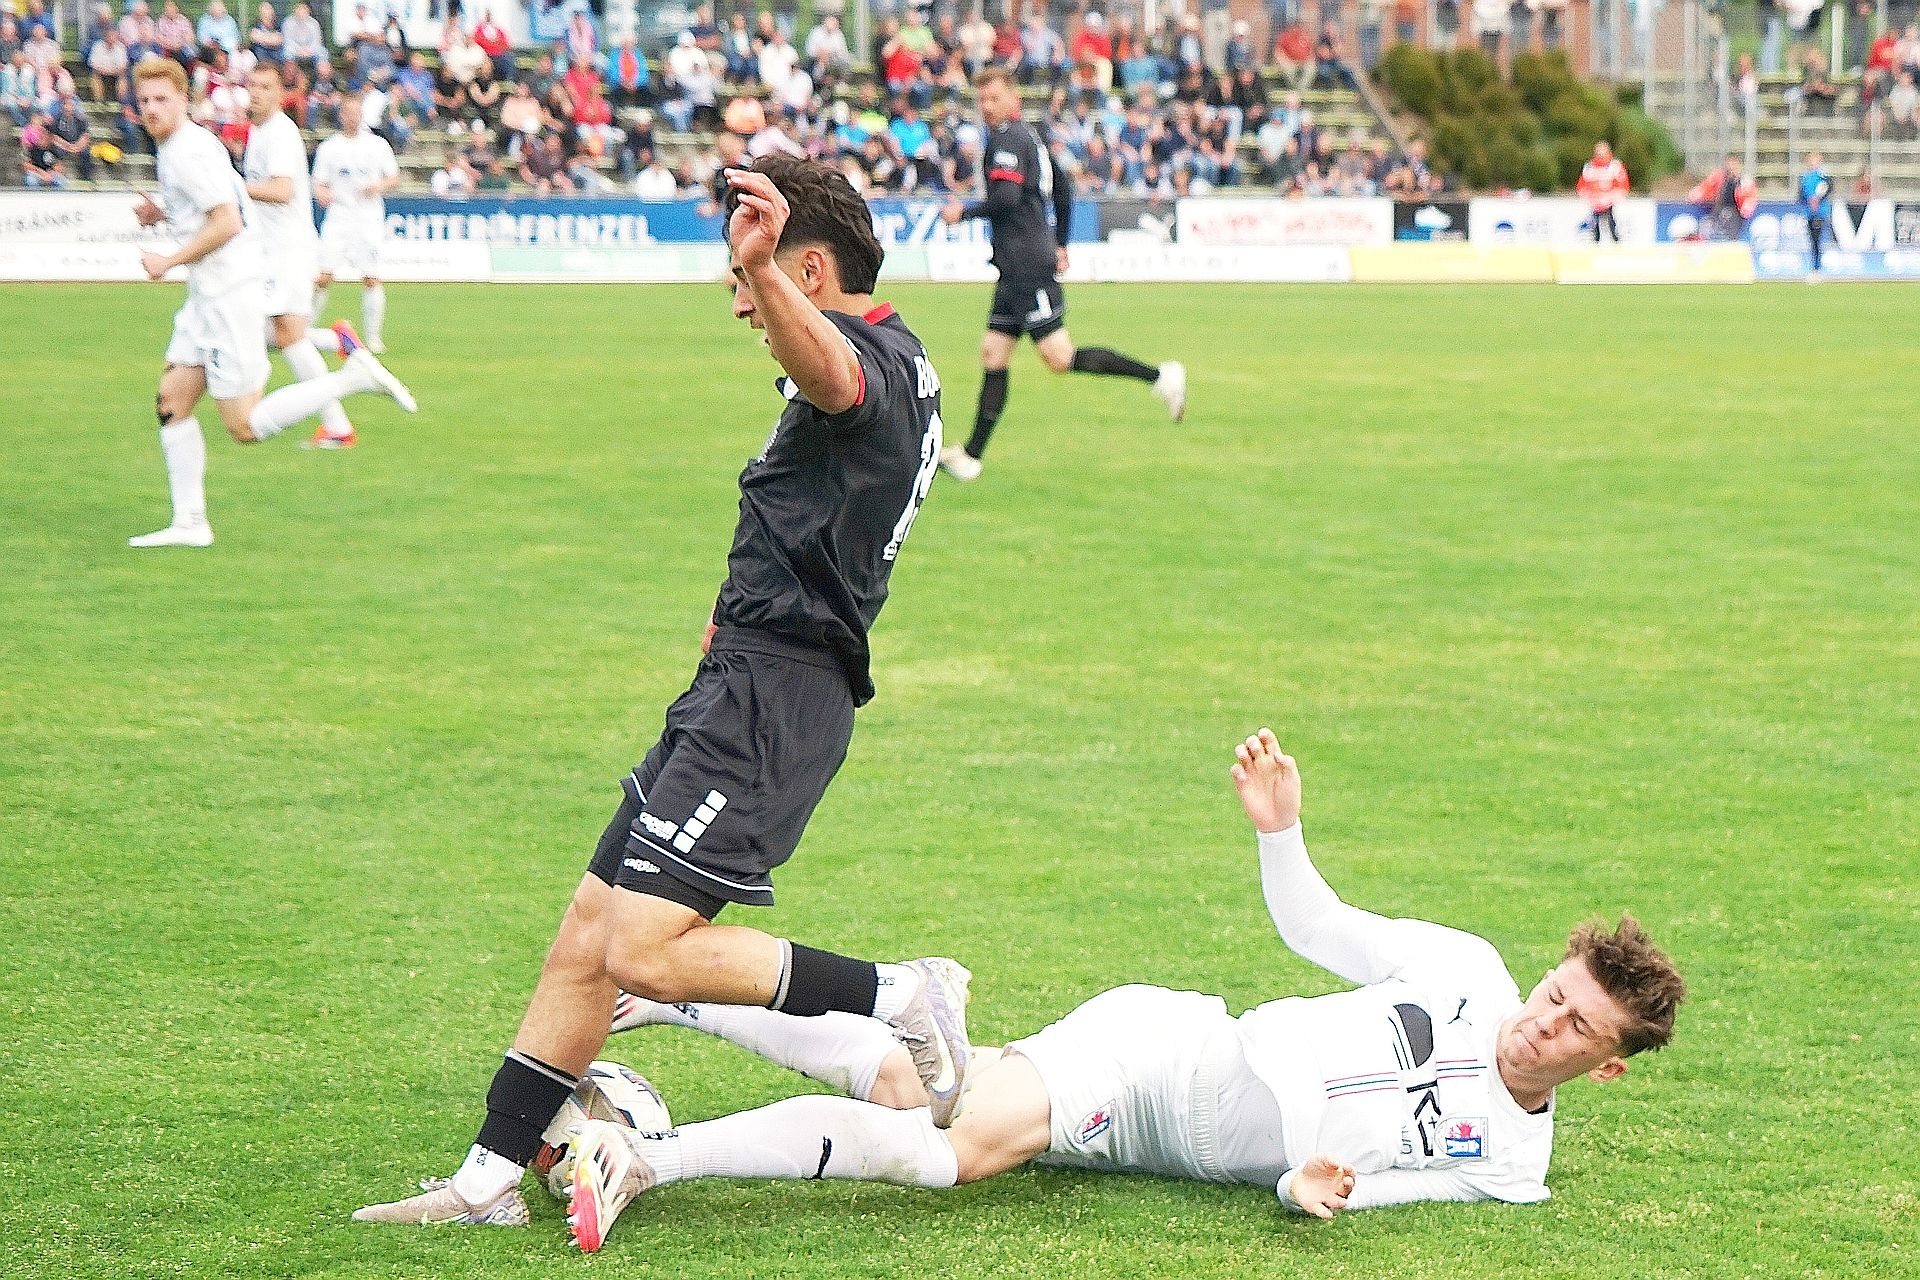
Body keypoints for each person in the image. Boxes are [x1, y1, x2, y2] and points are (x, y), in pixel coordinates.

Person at [352, 154, 966, 1245]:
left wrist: (761, 269)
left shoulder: (869, 358)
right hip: (739, 679)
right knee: (590, 931)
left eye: (752, 281)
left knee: (641, 948)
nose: (740, 305)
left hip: (775, 696)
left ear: (808, 269)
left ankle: (900, 993)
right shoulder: (900, 359)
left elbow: (833, 374)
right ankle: (488, 1177)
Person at [567, 730, 1687, 1248]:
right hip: (1168, 1056)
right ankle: (652, 1157)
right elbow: (1317, 925)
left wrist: (1306, 1189)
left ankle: (680, 996)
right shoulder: (1468, 969)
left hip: (1165, 1148)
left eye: (1576, 1027)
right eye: (1554, 992)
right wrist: (1282, 833)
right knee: (953, 1153)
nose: (1542, 1021)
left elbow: (1376, 1193)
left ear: (1608, 1064)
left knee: (921, 1092)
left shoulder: (1515, 1167)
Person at [125, 57, 414, 548]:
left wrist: (168, 259)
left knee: (244, 424)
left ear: (183, 101)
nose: (152, 108)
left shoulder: (188, 151)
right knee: (172, 401)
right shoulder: (184, 145)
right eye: (145, 100)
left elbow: (227, 221)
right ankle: (190, 523)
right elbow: (221, 204)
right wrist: (164, 212)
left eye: (162, 99)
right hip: (209, 293)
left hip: (229, 293)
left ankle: (351, 379)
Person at [937, 67, 1184, 483]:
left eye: (994, 98)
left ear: (1013, 100)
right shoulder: (1031, 138)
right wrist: (1062, 242)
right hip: (1016, 266)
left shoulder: (1007, 139)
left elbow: (1006, 198)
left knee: (1059, 357)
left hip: (1027, 267)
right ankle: (972, 457)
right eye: (982, 100)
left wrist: (963, 212)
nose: (987, 106)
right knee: (994, 353)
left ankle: (1161, 377)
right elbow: (1065, 188)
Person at [242, 59, 359, 449]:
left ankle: (337, 425)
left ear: (280, 94)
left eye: (265, 87)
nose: (256, 93)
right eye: (252, 85)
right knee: (264, 333)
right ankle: (335, 341)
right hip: (270, 251)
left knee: (287, 337)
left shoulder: (279, 133)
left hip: (287, 251)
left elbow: (282, 190)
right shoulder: (259, 132)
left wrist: (234, 187)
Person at [309, 91, 400, 354]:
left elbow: (393, 177)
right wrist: (322, 194)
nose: (352, 117)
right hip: (339, 217)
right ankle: (305, 331)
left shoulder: (377, 145)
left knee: (370, 277)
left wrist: (377, 186)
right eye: (347, 113)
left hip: (368, 218)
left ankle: (373, 338)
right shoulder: (330, 147)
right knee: (322, 276)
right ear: (341, 115)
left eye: (356, 113)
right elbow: (318, 182)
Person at [1575, 139, 1628, 242]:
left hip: (1611, 201)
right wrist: (1589, 197)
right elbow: (1582, 185)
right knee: (1595, 222)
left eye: (1603, 150)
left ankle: (1616, 240)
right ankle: (1596, 241)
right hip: (1595, 202)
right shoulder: (1589, 167)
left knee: (1611, 220)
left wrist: (1614, 197)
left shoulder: (1615, 165)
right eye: (1598, 150)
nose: (1600, 153)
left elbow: (1622, 184)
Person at [1798, 150, 1832, 277]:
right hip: (1809, 213)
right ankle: (1814, 267)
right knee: (1812, 241)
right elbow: (1801, 195)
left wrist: (1817, 199)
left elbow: (1828, 189)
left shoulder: (1823, 176)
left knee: (1817, 240)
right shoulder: (1805, 178)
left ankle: (1817, 269)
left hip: (1820, 213)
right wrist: (1808, 200)